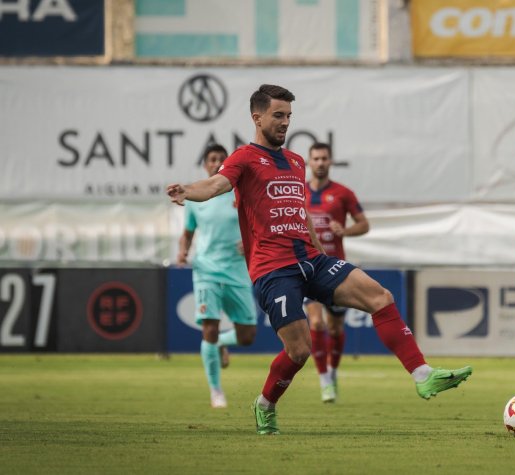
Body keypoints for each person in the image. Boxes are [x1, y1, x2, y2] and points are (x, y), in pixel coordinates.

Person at [167, 84, 472, 435]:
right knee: (299, 350)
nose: (285, 122)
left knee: (380, 297)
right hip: (273, 269)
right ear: (257, 117)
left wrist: (320, 253)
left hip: (312, 260)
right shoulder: (244, 157)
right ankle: (265, 404)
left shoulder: (296, 162)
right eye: (278, 115)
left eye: (289, 116)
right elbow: (216, 185)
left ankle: (422, 374)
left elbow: (302, 213)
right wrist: (187, 190)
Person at [177, 144, 257, 409]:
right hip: (206, 269)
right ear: (205, 165)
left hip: (237, 270)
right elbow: (188, 232)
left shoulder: (241, 191)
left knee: (247, 336)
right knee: (209, 328)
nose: (216, 163)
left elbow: (258, 224)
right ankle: (216, 391)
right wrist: (183, 252)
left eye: (221, 159)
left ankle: (221, 343)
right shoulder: (196, 198)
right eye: (212, 159)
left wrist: (251, 241)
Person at [304, 142, 370, 403]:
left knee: (334, 328)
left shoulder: (343, 193)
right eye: (316, 158)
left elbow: (364, 224)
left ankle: (332, 371)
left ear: (330, 162)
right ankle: (324, 381)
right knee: (316, 323)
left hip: (335, 269)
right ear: (309, 162)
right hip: (308, 268)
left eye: (324, 158)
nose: (320, 163)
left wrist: (345, 231)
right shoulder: (298, 192)